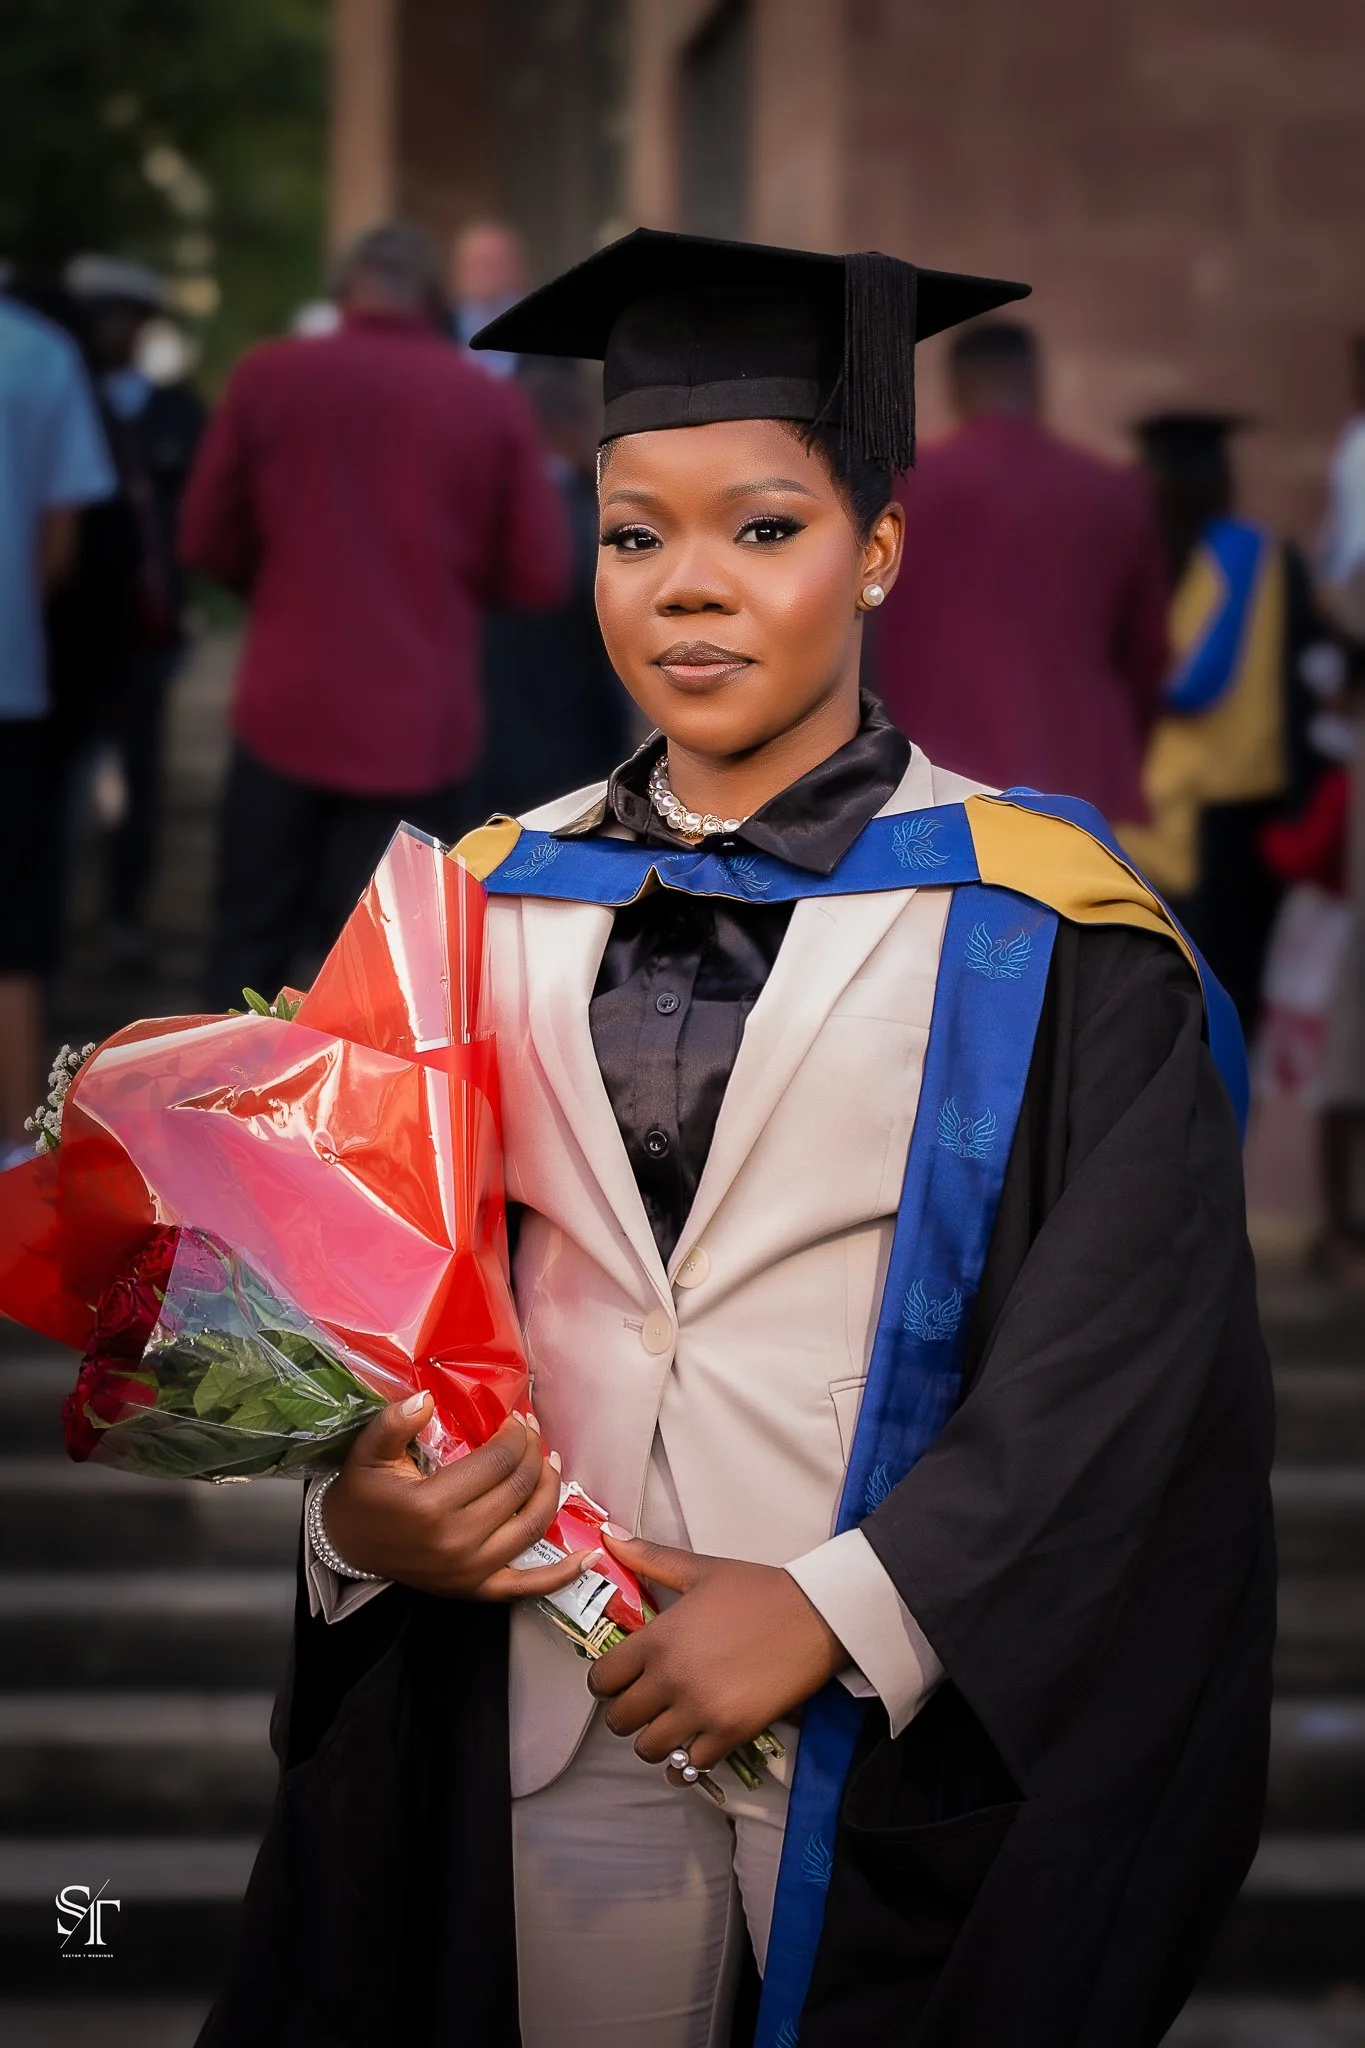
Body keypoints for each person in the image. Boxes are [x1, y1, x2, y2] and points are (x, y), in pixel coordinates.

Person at [200, 230, 1273, 2048]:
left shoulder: (1049, 925)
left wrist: (848, 1603)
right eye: (636, 535)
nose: (687, 588)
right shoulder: (466, 903)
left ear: (877, 549)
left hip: (892, 1752)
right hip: (542, 1729)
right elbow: (354, 1318)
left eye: (762, 528)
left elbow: (1130, 1370)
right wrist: (360, 1520)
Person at [180, 222, 569, 1010]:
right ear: (433, 300)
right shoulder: (482, 404)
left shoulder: (269, 378)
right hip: (418, 727)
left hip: (283, 711)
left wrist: (287, 588)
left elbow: (202, 537)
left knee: (247, 944)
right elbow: (538, 573)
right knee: (383, 975)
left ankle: (211, 1123)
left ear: (341, 289)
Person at [873, 320, 1170, 822]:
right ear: (1035, 384)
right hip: (1081, 780)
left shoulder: (905, 489)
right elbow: (1147, 654)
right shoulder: (1115, 492)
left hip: (936, 778)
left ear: (958, 388)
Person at [1119, 412, 1332, 1031]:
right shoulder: (1263, 555)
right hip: (1237, 803)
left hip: (1178, 811)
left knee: (1171, 986)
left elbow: (1195, 686)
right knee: (1230, 988)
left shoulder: (1215, 555)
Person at [60, 254, 206, 969]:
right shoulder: (67, 396)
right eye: (108, 317)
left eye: (132, 318)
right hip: (69, 632)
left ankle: (124, 914)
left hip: (143, 633)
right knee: (60, 777)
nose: (120, 331)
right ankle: (57, 917)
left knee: (139, 778)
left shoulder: (176, 409)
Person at [0, 295, 115, 1169]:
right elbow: (65, 536)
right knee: (16, 935)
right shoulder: (38, 352)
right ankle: (15, 1149)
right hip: (12, 682)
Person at [477, 361, 632, 818]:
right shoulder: (589, 516)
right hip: (576, 746)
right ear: (572, 426)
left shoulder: (473, 516)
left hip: (487, 751)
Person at [449, 218, 530, 378]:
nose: (489, 274)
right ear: (460, 270)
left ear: (517, 269)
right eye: (481, 263)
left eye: (499, 264)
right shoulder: (437, 328)